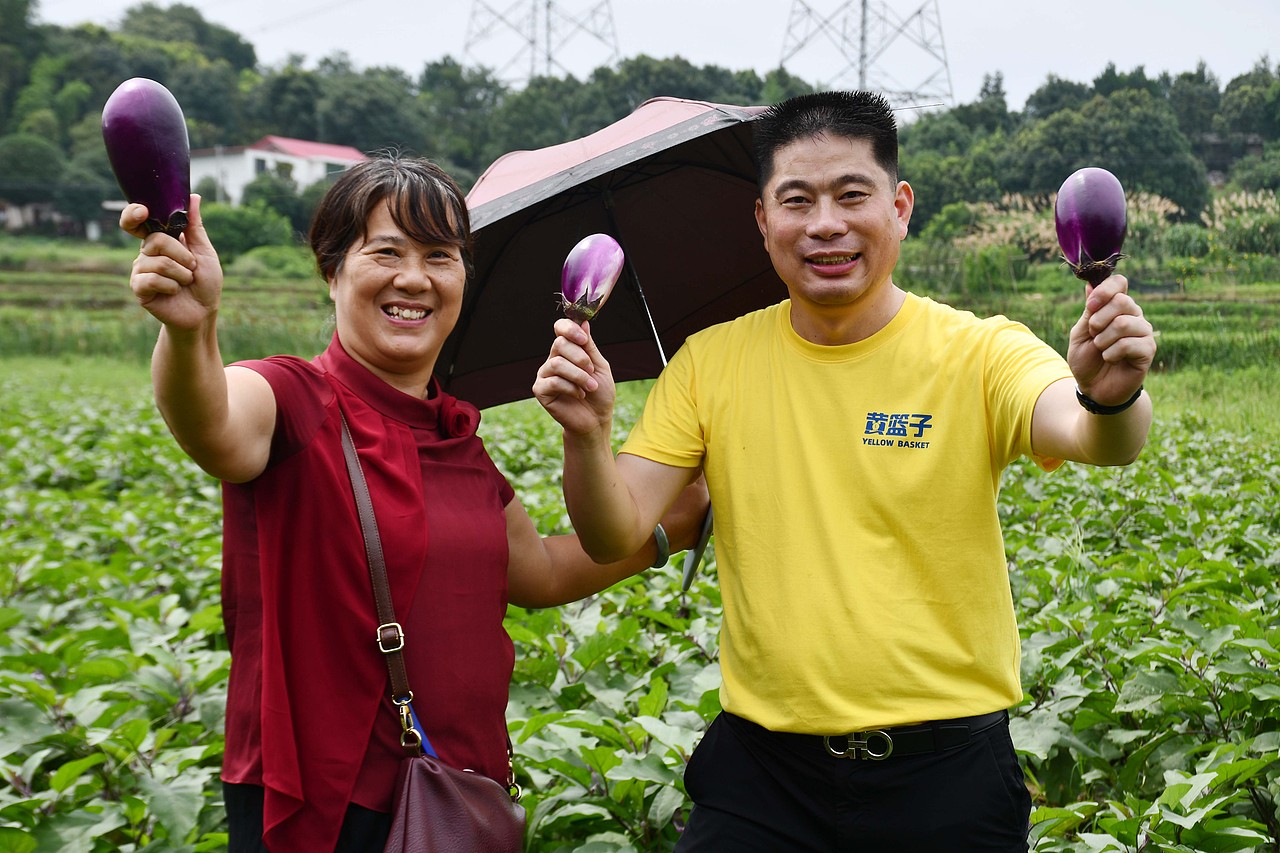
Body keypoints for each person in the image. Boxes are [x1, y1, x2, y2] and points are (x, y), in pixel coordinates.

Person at [533, 90, 1155, 851]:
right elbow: (612, 530)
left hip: (946, 774)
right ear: (764, 222)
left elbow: (1094, 435)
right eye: (796, 201)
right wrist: (587, 435)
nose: (824, 224)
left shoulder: (981, 350)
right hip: (762, 777)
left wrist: (1112, 393)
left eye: (850, 195)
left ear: (899, 206)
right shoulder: (710, 363)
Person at [121, 155, 707, 852]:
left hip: (455, 792)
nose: (414, 278)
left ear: (463, 278)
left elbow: (543, 572)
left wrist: (671, 522)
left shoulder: (457, 435)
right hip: (323, 805)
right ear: (333, 271)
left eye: (440, 256)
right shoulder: (293, 399)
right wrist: (191, 332)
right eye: (386, 252)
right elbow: (213, 423)